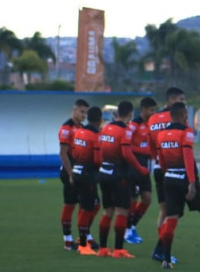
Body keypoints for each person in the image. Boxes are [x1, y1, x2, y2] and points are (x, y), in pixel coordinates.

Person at [154, 102, 200, 269]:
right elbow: (188, 158)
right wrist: (191, 183)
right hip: (185, 178)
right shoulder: (185, 132)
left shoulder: (161, 135)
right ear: (183, 116)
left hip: (168, 179)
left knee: (171, 218)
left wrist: (169, 174)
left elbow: (160, 161)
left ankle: (166, 260)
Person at [95, 100, 146, 258]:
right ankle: (118, 250)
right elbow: (126, 153)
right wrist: (140, 168)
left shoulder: (106, 128)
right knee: (122, 211)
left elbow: (99, 150)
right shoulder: (125, 130)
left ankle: (103, 249)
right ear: (131, 114)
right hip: (118, 175)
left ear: (118, 112)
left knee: (107, 211)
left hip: (104, 172)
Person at [147, 87, 186, 261]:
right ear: (171, 100)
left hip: (158, 167)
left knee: (164, 210)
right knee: (173, 212)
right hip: (174, 170)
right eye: (181, 99)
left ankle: (161, 248)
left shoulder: (153, 119)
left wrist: (157, 159)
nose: (183, 102)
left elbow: (150, 146)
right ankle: (161, 249)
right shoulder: (179, 119)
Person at [71, 106, 103, 256]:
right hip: (88, 175)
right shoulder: (96, 135)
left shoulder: (79, 131)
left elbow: (75, 152)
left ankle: (85, 236)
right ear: (100, 119)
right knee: (87, 208)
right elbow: (97, 160)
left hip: (77, 170)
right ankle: (83, 244)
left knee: (95, 205)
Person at [124, 96, 157, 244]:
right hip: (133, 168)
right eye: (151, 110)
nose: (153, 112)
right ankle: (127, 230)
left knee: (147, 199)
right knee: (132, 200)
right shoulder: (134, 125)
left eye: (154, 110)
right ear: (143, 109)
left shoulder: (151, 125)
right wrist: (145, 151)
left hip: (144, 169)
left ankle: (131, 226)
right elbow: (127, 146)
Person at [58, 98, 89, 250]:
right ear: (74, 110)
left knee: (85, 205)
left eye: (86, 113)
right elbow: (63, 153)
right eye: (82, 112)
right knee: (70, 205)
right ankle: (67, 240)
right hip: (69, 172)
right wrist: (70, 173)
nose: (84, 115)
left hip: (80, 172)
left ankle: (82, 238)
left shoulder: (82, 128)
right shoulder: (66, 128)